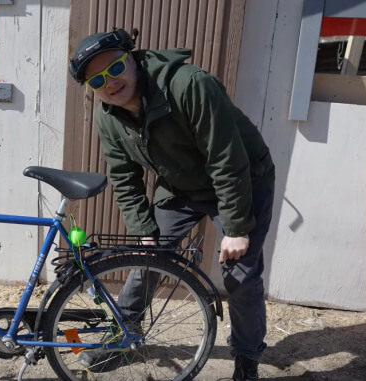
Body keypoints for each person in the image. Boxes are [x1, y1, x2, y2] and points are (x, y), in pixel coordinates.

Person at [68, 28, 275, 381]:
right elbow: (124, 176)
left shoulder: (190, 85)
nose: (110, 83)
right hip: (180, 184)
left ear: (132, 59)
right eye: (98, 80)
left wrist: (237, 228)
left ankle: (247, 356)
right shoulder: (108, 115)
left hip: (243, 179)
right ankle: (122, 335)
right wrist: (142, 230)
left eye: (115, 69)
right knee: (148, 259)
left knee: (239, 276)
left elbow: (226, 158)